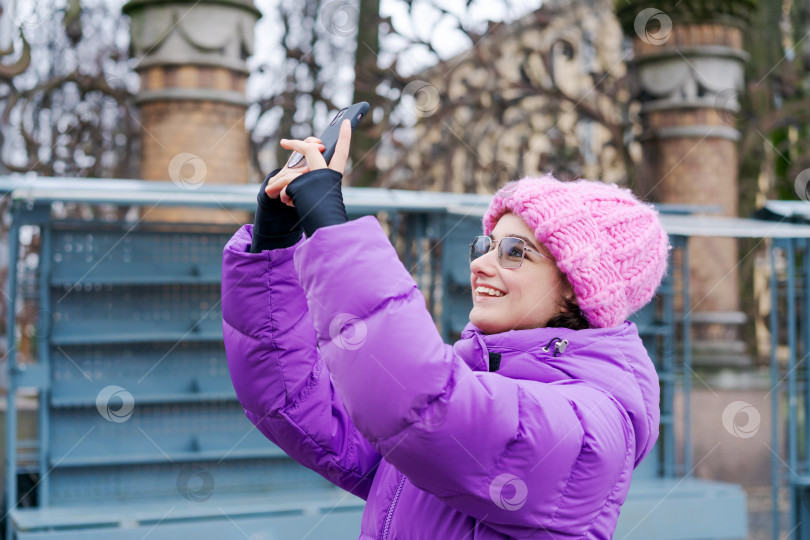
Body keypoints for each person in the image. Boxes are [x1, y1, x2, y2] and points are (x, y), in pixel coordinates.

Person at [221, 120, 670, 539]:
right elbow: (293, 399)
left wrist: (332, 231)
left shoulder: (594, 424)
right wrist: (273, 244)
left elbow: (425, 407)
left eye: (515, 251)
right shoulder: (474, 378)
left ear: (576, 287)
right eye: (485, 245)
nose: (480, 263)